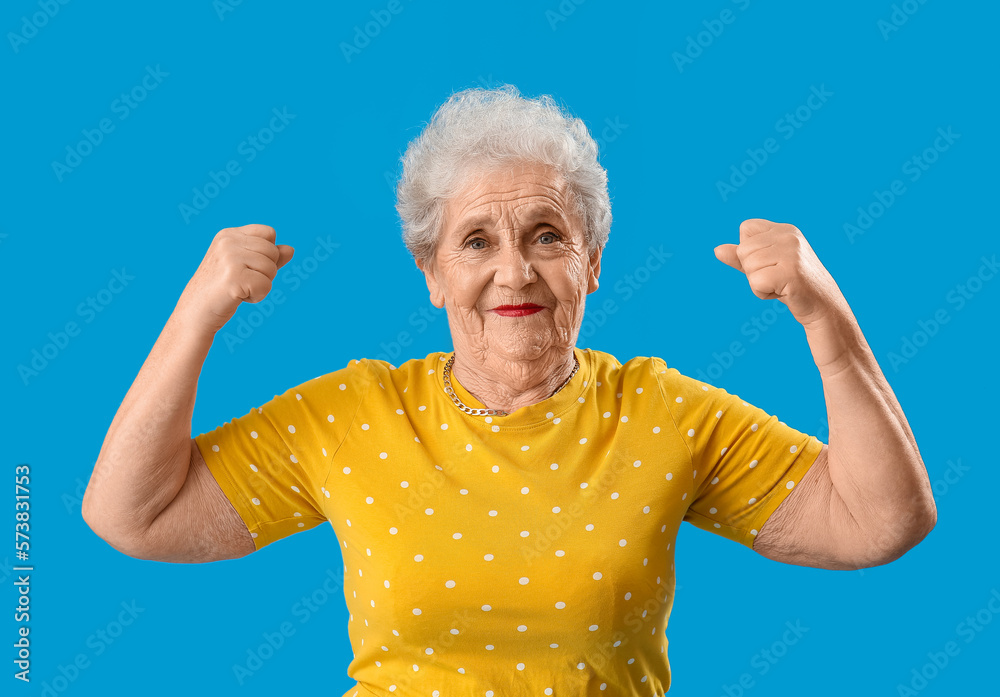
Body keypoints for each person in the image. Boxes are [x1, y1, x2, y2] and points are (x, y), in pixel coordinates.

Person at [82, 84, 936, 696]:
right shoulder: (351, 416)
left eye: (547, 235)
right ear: (431, 271)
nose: (514, 270)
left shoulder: (664, 411)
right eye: (477, 240)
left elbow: (879, 520)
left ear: (592, 262)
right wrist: (199, 311)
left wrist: (824, 317)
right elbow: (132, 512)